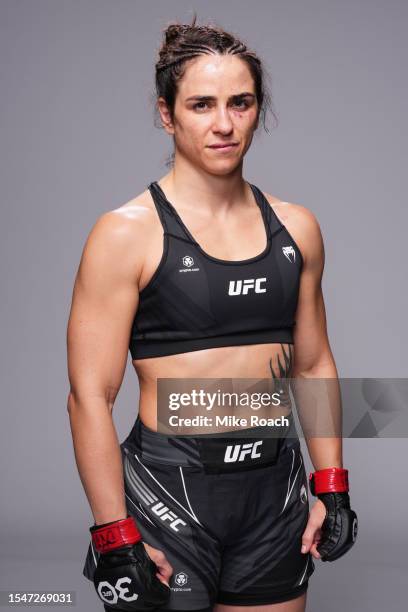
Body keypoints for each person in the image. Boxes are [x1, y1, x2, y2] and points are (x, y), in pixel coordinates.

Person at [67, 17, 357, 612]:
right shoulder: (126, 234)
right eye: (202, 105)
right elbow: (89, 394)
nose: (224, 124)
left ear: (258, 109)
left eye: (240, 103)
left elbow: (314, 362)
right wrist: (112, 532)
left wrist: (333, 487)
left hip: (274, 491)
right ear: (167, 114)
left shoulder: (297, 228)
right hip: (168, 494)